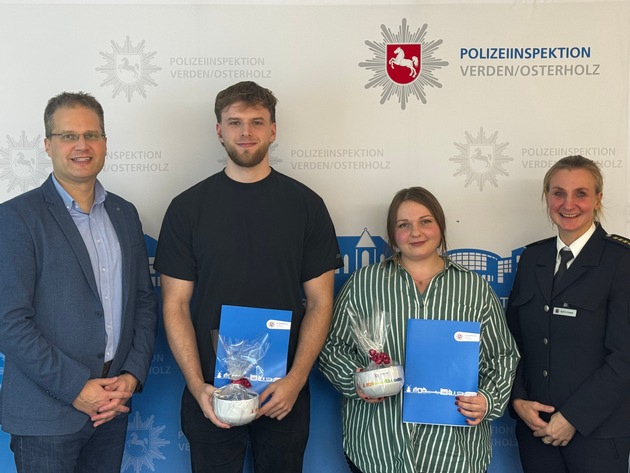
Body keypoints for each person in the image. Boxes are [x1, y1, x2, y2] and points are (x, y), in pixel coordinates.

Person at [154, 81, 342, 473]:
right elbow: (175, 304)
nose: (246, 132)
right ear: (219, 130)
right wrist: (197, 386)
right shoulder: (187, 208)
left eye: (257, 122)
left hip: (283, 393)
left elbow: (321, 302)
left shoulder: (306, 206)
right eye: (235, 122)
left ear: (273, 130)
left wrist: (296, 380)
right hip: (211, 393)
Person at [0, 92, 158, 473]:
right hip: (46, 416)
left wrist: (131, 376)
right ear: (48, 145)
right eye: (68, 136)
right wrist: (76, 388)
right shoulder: (17, 218)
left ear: (105, 142)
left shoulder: (124, 213)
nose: (81, 145)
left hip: (112, 407)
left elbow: (143, 302)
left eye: (91, 135)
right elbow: (9, 322)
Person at [319, 186, 519, 473]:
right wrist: (357, 379)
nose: (416, 232)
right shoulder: (363, 284)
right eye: (404, 225)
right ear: (392, 234)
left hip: (455, 452)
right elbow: (331, 347)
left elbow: (502, 355)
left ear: (440, 225)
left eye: (425, 221)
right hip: (378, 447)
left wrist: (488, 400)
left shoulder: (474, 289)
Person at [506, 155, 630, 473]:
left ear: (598, 199)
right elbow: (511, 342)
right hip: (536, 431)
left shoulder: (621, 262)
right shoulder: (532, 259)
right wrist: (518, 399)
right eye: (558, 193)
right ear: (547, 197)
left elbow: (625, 356)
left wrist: (573, 417)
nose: (568, 204)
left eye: (581, 194)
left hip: (598, 436)